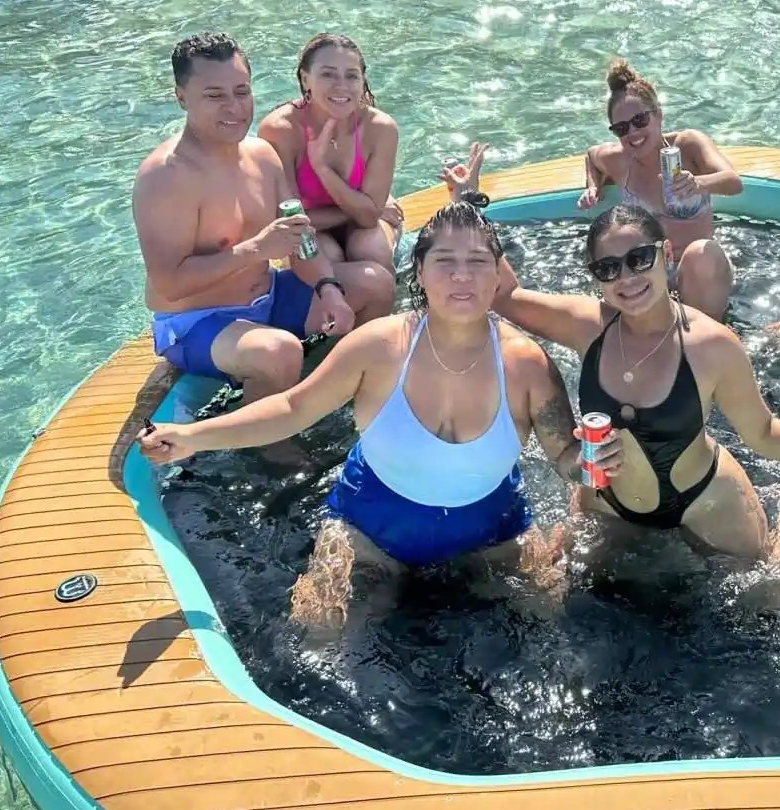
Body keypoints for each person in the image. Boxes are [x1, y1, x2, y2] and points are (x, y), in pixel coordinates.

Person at [138, 201, 624, 631]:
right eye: (445, 262)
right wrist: (194, 436)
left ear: (498, 276)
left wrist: (593, 459)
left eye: (478, 263)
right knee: (319, 631)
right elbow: (292, 408)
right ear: (419, 270)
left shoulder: (526, 365)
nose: (462, 276)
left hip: (493, 529)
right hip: (369, 528)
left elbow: (564, 455)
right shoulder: (379, 348)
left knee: (552, 620)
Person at [446, 148, 780, 610]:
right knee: (545, 598)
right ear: (596, 278)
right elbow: (506, 295)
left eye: (639, 258)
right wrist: (468, 206)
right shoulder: (588, 326)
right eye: (608, 268)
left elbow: (763, 431)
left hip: (704, 501)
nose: (626, 277)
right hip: (607, 499)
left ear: (665, 253)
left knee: (772, 602)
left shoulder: (711, 345)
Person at [132, 32, 396, 403]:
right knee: (279, 352)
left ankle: (353, 394)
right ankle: (267, 450)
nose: (234, 107)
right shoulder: (166, 176)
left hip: (268, 298)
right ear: (181, 97)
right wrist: (255, 249)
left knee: (375, 283)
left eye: (241, 91)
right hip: (198, 323)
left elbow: (300, 240)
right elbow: (169, 284)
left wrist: (328, 289)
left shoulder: (261, 156)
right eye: (214, 95)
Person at [575, 58, 741, 323]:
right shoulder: (619, 160)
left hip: (701, 273)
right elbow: (591, 156)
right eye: (621, 128)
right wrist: (593, 186)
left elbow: (734, 182)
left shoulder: (688, 145)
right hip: (651, 272)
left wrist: (699, 183)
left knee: (701, 254)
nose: (633, 133)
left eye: (640, 120)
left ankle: (712, 338)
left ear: (658, 114)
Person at [257, 33, 403, 280]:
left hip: (362, 226)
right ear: (305, 79)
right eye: (328, 74)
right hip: (312, 230)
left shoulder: (380, 127)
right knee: (327, 256)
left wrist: (322, 168)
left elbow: (368, 219)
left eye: (351, 75)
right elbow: (290, 221)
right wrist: (364, 208)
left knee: (369, 249)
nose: (341, 86)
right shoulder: (281, 130)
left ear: (362, 80)